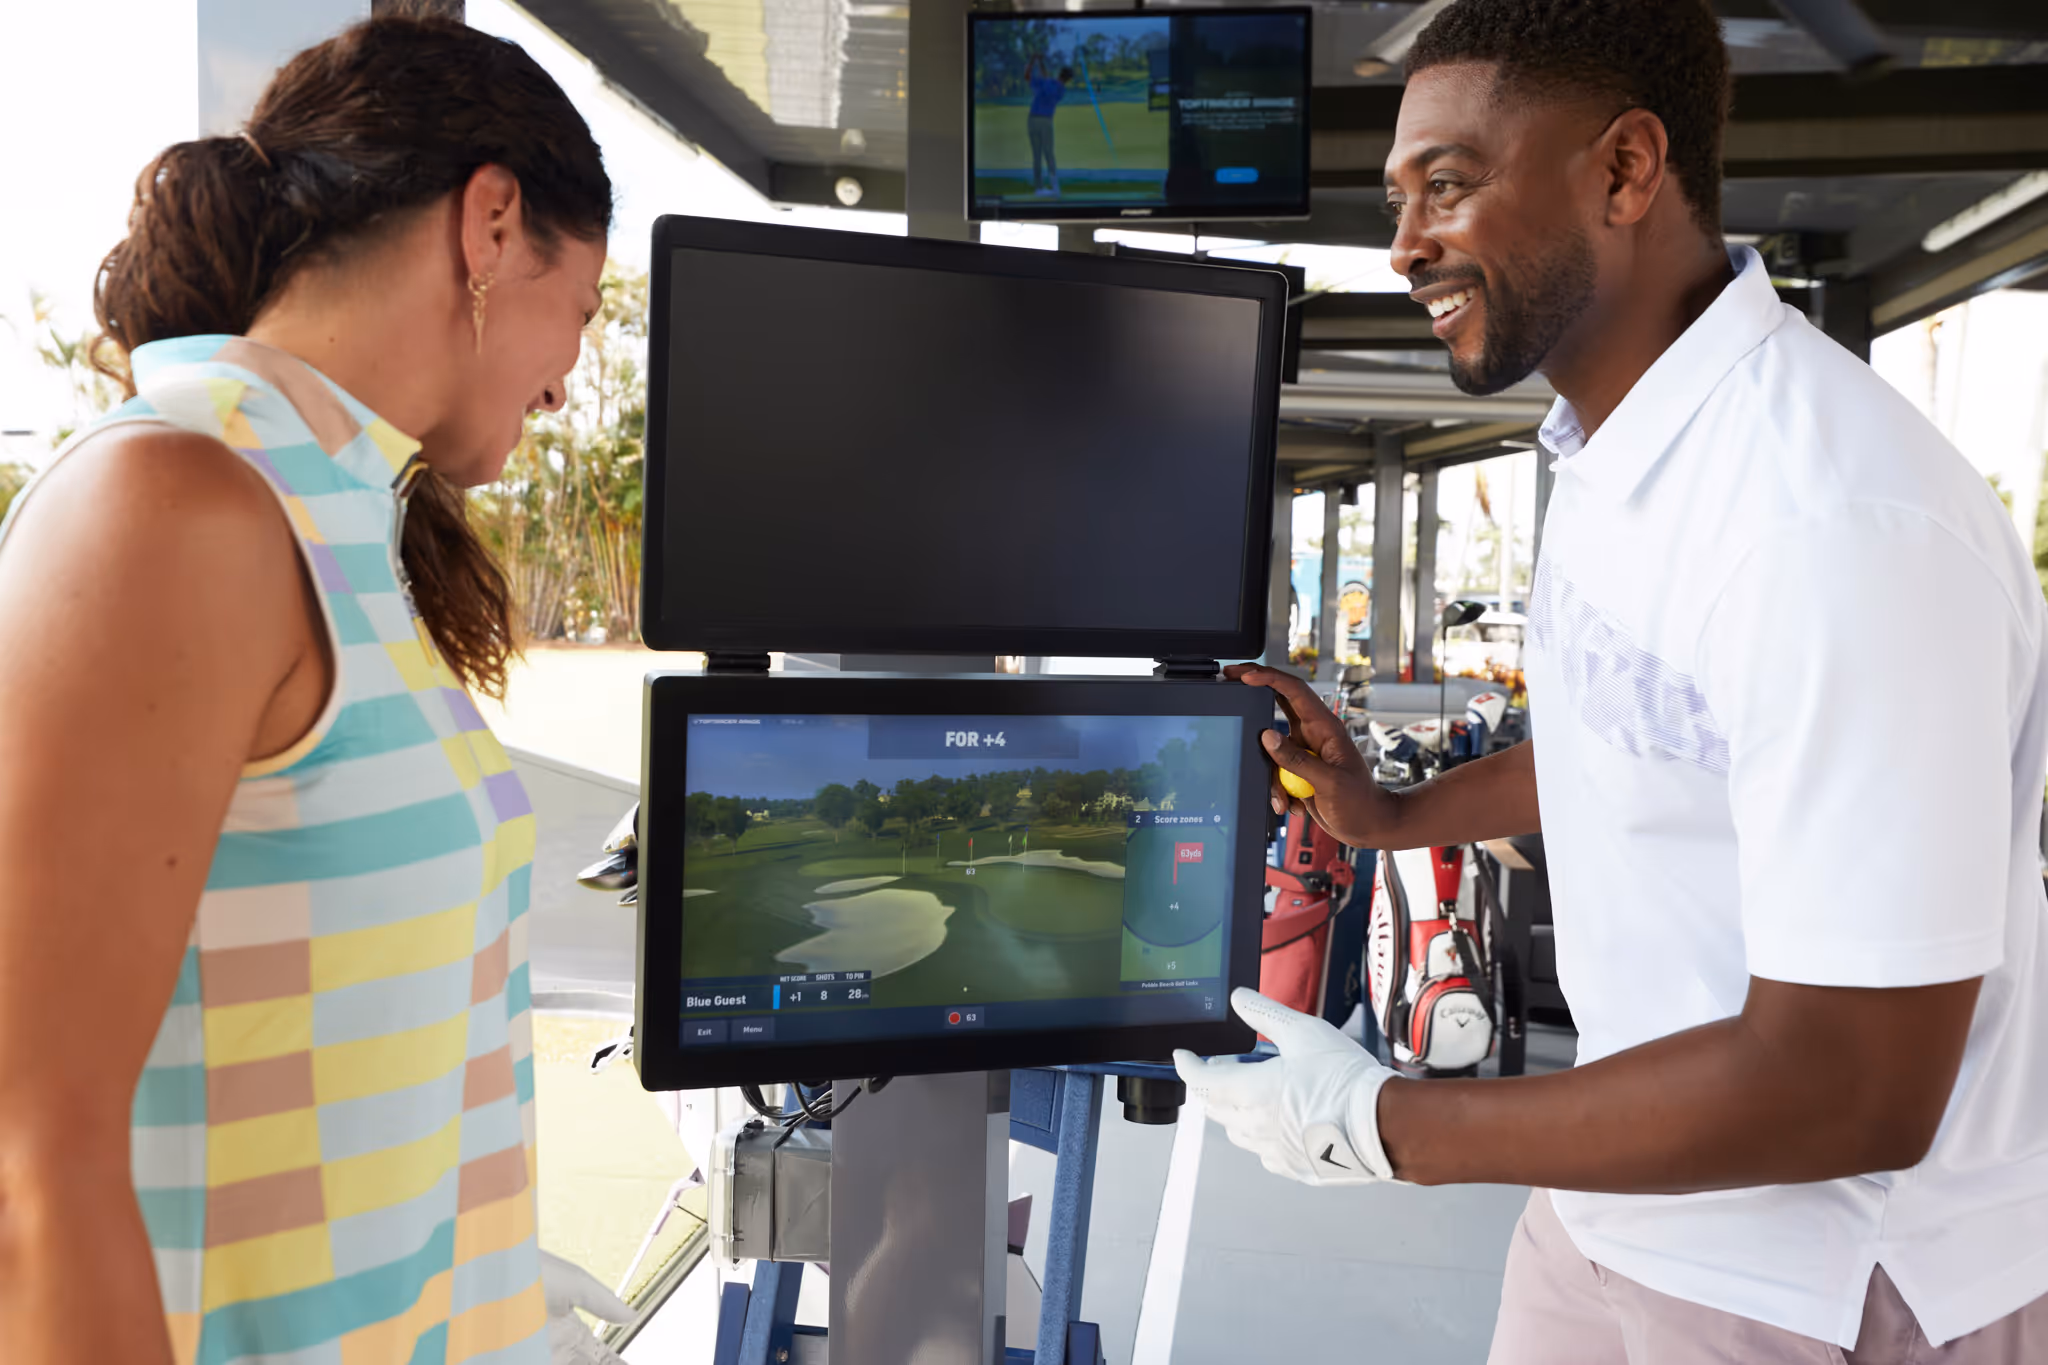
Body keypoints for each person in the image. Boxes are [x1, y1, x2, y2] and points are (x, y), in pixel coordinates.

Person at [1175, 2, 2048, 1363]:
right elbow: (1638, 739)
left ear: (1626, 172)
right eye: (1398, 197)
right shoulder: (1612, 451)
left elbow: (1858, 1084)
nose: (1404, 245)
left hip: (1827, 1281)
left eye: (1448, 186)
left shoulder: (1833, 522)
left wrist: (1387, 1123)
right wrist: (1393, 815)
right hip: (1612, 1213)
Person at [0, 16, 631, 1365]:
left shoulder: (336, 522)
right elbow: (25, 1165)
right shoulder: (166, 504)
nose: (571, 378)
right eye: (577, 311)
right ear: (494, 224)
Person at [1023, 54, 1074, 197]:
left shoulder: (1052, 85)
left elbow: (1028, 76)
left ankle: (1039, 188)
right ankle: (1054, 187)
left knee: (1037, 155)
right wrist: (1039, 62)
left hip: (1032, 119)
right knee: (1048, 154)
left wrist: (1035, 60)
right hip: (1045, 121)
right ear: (1068, 79)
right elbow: (1034, 76)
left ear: (1060, 74)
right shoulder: (1059, 88)